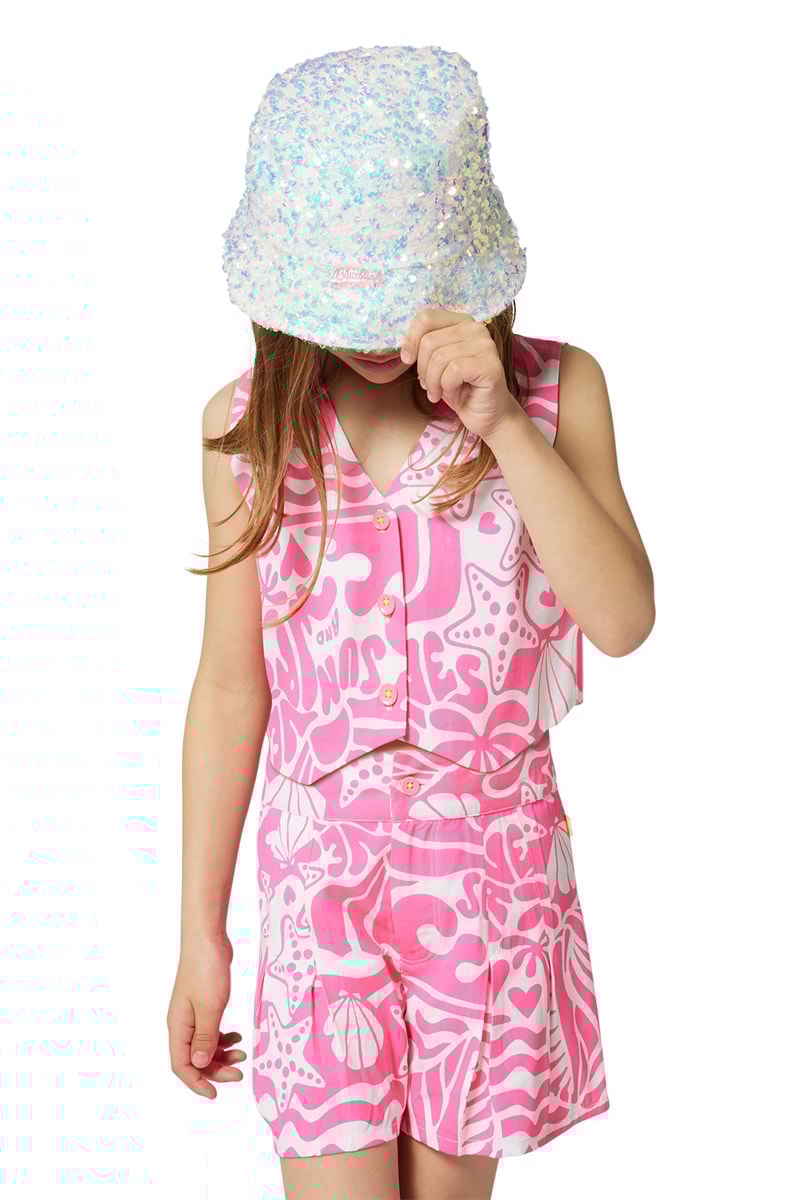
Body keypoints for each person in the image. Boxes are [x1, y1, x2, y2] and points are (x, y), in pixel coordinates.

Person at [167, 44, 655, 1200]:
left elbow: (621, 618)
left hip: (485, 884)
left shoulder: (555, 395)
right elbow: (231, 686)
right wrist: (201, 932)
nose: (374, 334)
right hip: (317, 888)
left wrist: (502, 428)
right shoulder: (245, 432)